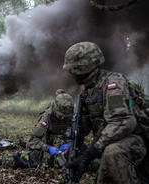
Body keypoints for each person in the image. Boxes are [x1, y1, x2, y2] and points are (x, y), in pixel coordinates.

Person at [63, 42, 147, 183]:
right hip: (115, 142)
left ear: (82, 68)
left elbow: (123, 122)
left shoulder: (113, 83)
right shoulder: (87, 91)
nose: (71, 74)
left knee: (112, 153)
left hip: (137, 141)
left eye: (72, 70)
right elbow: (91, 124)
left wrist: (91, 153)